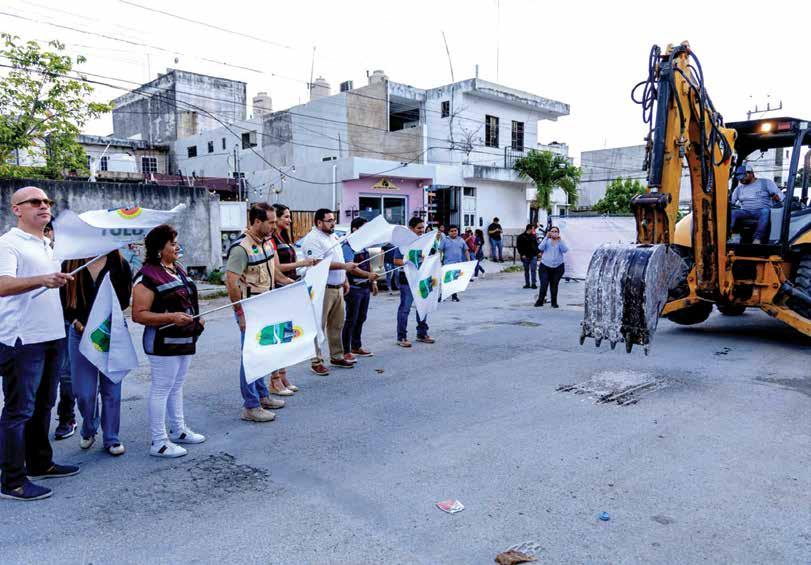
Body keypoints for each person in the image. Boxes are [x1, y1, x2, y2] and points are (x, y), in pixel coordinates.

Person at [0, 186, 79, 501]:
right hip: (23, 339)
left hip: (52, 336)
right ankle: (12, 481)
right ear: (17, 209)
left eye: (47, 201)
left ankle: (40, 463)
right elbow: (2, 284)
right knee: (19, 410)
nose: (44, 205)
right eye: (35, 201)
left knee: (44, 404)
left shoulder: (47, 244)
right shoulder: (8, 243)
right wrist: (42, 279)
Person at [132, 224, 206, 458]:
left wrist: (197, 318)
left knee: (176, 385)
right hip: (161, 343)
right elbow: (139, 315)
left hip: (184, 339)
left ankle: (178, 430)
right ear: (159, 249)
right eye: (172, 244)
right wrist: (172, 317)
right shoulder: (147, 277)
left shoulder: (177, 268)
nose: (177, 247)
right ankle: (159, 442)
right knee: (162, 388)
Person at [60, 251, 132, 456]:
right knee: (84, 393)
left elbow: (124, 300)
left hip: (110, 331)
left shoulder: (119, 263)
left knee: (112, 389)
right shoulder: (70, 263)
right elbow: (63, 300)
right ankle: (89, 428)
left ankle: (111, 438)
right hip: (79, 333)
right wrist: (76, 321)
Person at [225, 203, 292, 422]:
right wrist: (240, 314)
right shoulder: (241, 248)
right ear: (256, 222)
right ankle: (251, 406)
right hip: (251, 310)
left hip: (267, 307)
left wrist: (292, 283)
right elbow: (231, 283)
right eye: (270, 222)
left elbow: (275, 273)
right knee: (251, 358)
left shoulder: (267, 243)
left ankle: (263, 396)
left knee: (263, 354)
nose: (274, 225)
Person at [299, 209, 358, 375]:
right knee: (318, 325)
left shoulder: (333, 237)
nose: (333, 223)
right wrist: (345, 267)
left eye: (333, 220)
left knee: (337, 324)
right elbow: (318, 263)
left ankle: (337, 356)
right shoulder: (312, 239)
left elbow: (339, 258)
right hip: (322, 288)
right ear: (319, 222)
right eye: (329, 220)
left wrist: (344, 279)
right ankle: (316, 361)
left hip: (337, 287)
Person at [269, 203, 318, 396]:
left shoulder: (284, 238)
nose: (289, 220)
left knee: (287, 336)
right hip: (279, 289)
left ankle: (282, 375)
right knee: (278, 336)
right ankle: (274, 380)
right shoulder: (271, 240)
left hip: (289, 288)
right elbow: (276, 267)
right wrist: (302, 263)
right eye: (286, 217)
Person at [46, 222, 78, 441]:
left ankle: (67, 418)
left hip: (64, 323)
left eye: (47, 231)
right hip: (38, 326)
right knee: (43, 377)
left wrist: (75, 317)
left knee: (66, 375)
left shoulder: (65, 257)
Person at [392, 217, 435, 347]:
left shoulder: (425, 241)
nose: (421, 230)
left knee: (423, 306)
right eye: (419, 228)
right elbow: (396, 261)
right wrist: (411, 261)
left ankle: (422, 333)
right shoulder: (403, 243)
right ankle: (401, 337)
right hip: (407, 279)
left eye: (423, 228)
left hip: (422, 278)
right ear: (411, 229)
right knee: (405, 308)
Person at [341, 217, 379, 362]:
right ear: (355, 229)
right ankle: (346, 350)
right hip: (353, 287)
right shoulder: (348, 246)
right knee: (351, 319)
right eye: (364, 228)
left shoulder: (363, 246)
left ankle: (356, 346)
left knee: (361, 317)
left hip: (364, 287)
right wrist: (368, 275)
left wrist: (373, 281)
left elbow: (369, 265)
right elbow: (350, 267)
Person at [730, 162, 783, 244]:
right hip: (745, 211)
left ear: (751, 173)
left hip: (760, 210)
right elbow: (732, 201)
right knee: (732, 212)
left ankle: (757, 238)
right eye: (739, 178)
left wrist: (777, 197)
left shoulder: (765, 183)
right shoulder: (739, 189)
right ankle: (729, 236)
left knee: (765, 211)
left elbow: (780, 196)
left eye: (743, 177)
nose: (741, 180)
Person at [535, 226, 568, 308]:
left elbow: (565, 250)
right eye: (552, 231)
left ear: (558, 233)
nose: (554, 233)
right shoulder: (547, 240)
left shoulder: (560, 242)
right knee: (544, 284)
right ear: (549, 232)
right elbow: (540, 248)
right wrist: (546, 237)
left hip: (558, 267)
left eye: (556, 231)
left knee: (554, 285)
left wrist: (560, 240)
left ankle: (554, 302)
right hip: (545, 266)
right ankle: (540, 301)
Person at [439, 224, 470, 302]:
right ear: (448, 232)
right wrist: (439, 261)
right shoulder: (445, 240)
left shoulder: (461, 240)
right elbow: (440, 251)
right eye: (452, 231)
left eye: (455, 231)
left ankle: (454, 296)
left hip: (458, 264)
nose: (454, 232)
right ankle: (443, 295)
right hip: (447, 264)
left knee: (455, 281)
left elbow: (466, 250)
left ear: (457, 231)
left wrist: (468, 260)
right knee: (446, 281)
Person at [516, 224, 540, 289]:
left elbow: (536, 245)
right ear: (529, 229)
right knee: (526, 270)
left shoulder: (533, 236)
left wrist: (538, 253)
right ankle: (527, 284)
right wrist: (522, 254)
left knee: (533, 270)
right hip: (525, 256)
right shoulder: (521, 237)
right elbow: (519, 247)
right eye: (533, 229)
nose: (534, 230)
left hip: (533, 256)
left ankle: (533, 284)